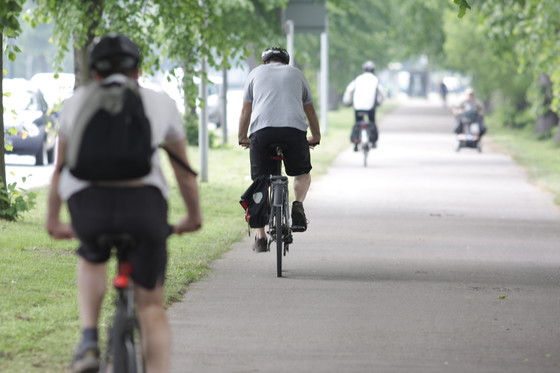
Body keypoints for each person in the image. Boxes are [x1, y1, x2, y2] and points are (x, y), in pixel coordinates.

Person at [45, 34, 202, 373]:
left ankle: (88, 339)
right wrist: (193, 216)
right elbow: (184, 172)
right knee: (151, 308)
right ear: (137, 71)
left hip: (89, 205)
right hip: (144, 208)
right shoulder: (160, 102)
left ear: (95, 73)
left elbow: (61, 169)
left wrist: (54, 221)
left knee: (91, 255)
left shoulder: (76, 102)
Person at [238, 46, 321, 253]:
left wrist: (242, 136)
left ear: (265, 62)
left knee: (260, 183)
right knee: (302, 173)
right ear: (285, 61)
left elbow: (245, 110)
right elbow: (309, 110)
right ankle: (298, 205)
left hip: (262, 133)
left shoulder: (255, 74)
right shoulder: (297, 74)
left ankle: (260, 237)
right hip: (293, 132)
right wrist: (316, 136)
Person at [343, 60, 383, 150]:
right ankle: (373, 142)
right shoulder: (375, 80)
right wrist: (379, 102)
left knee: (358, 122)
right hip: (371, 106)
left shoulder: (358, 79)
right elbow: (381, 92)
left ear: (363, 70)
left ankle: (356, 143)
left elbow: (349, 90)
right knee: (372, 122)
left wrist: (347, 101)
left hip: (358, 106)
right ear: (373, 70)